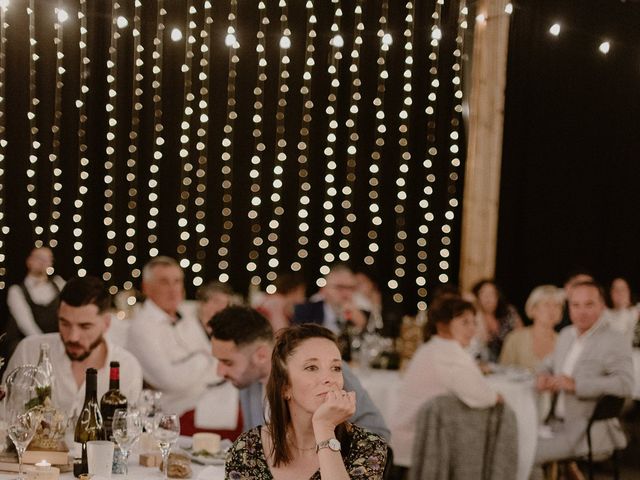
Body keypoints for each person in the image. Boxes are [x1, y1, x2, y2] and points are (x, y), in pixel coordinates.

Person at [224, 323, 388, 480]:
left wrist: (324, 427)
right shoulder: (248, 448)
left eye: (336, 368)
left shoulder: (368, 446)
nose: (329, 379)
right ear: (285, 387)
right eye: (311, 367)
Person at [209, 306, 390, 440]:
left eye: (227, 362)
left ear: (261, 355)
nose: (220, 372)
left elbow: (378, 433)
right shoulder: (248, 382)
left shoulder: (325, 370)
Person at [3, 276, 142, 415]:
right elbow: (5, 417)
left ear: (106, 323)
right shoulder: (29, 351)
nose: (72, 337)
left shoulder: (127, 367)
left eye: (85, 326)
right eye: (65, 323)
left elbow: (127, 432)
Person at [389, 296, 499, 468]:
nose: (472, 329)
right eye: (464, 322)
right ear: (443, 324)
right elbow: (483, 397)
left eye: (474, 322)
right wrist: (500, 397)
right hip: (418, 448)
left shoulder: (431, 347)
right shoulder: (449, 353)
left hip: (405, 442)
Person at [534, 280, 633, 466]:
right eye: (575, 305)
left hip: (585, 431)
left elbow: (625, 384)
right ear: (569, 308)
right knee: (510, 443)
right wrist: (542, 376)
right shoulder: (566, 334)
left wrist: (576, 384)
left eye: (589, 304)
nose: (582, 311)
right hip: (553, 424)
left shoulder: (614, 340)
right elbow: (548, 364)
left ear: (602, 306)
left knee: (527, 453)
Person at [127, 256, 224, 416]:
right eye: (164, 282)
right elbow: (171, 381)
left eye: (177, 281)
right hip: (175, 412)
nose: (173, 289)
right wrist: (202, 358)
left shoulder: (187, 316)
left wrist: (198, 361)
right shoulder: (142, 327)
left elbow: (218, 363)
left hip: (210, 396)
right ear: (146, 288)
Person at [4, 247, 66, 361]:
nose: (43, 262)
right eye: (39, 258)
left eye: (48, 259)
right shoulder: (16, 290)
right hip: (28, 344)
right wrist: (46, 348)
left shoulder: (59, 284)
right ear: (29, 261)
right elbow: (26, 325)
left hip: (57, 343)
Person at [500, 285, 564, 371]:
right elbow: (501, 374)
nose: (552, 310)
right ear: (533, 309)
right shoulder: (515, 338)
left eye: (557, 305)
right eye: (547, 304)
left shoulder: (564, 342)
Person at [292, 265, 368, 334]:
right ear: (324, 290)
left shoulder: (363, 314)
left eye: (350, 288)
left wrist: (361, 325)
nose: (346, 293)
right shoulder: (306, 310)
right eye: (339, 287)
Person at [469, 279, 522, 362]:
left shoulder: (509, 312)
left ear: (498, 296)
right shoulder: (474, 316)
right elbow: (483, 338)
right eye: (483, 293)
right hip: (487, 362)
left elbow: (521, 335)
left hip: (511, 360)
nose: (488, 298)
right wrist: (478, 310)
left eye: (491, 293)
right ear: (477, 297)